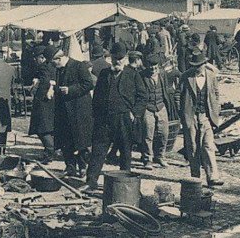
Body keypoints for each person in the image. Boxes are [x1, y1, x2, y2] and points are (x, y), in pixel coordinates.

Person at [86, 42, 147, 190]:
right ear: (110, 58)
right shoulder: (104, 74)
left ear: (125, 58)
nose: (117, 61)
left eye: (120, 58)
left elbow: (142, 97)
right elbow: (97, 97)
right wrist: (96, 116)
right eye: (115, 58)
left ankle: (124, 183)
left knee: (126, 151)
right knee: (98, 151)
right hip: (104, 119)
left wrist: (135, 113)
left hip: (124, 118)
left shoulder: (133, 75)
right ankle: (91, 181)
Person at [178, 47, 223, 187]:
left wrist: (216, 110)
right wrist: (182, 114)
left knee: (208, 145)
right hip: (190, 116)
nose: (197, 68)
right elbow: (177, 95)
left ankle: (212, 177)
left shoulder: (212, 76)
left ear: (205, 64)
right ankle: (195, 176)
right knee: (192, 146)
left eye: (199, 66)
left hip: (206, 116)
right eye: (194, 66)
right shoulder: (186, 76)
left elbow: (216, 94)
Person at [54, 47, 94, 177]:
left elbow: (88, 84)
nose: (54, 65)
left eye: (54, 62)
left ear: (59, 59)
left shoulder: (78, 66)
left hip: (79, 110)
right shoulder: (59, 69)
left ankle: (83, 166)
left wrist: (70, 90)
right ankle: (70, 166)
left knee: (81, 140)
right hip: (64, 111)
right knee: (66, 141)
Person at [140, 53, 172, 169]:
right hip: (148, 108)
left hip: (161, 106)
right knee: (148, 135)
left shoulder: (162, 74)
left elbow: (166, 90)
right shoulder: (142, 76)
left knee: (163, 133)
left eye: (155, 67)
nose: (153, 69)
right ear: (147, 66)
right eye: (151, 67)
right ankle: (147, 159)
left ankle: (160, 156)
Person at [28, 45, 57, 162]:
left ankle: (50, 151)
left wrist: (36, 90)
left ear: (42, 57)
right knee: (48, 128)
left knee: (42, 129)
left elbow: (45, 82)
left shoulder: (43, 68)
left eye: (36, 58)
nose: (35, 60)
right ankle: (50, 150)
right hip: (52, 102)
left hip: (43, 103)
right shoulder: (53, 66)